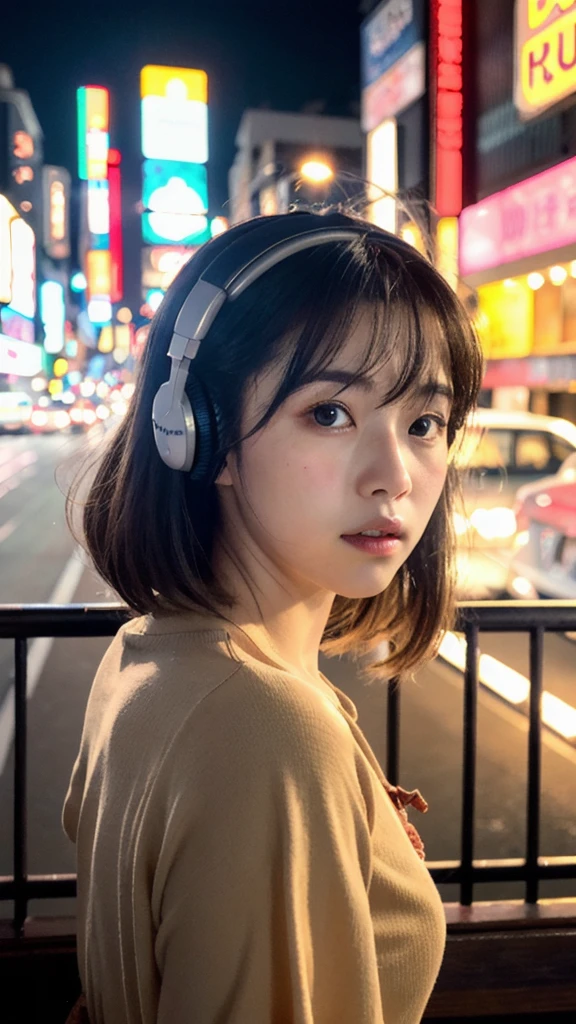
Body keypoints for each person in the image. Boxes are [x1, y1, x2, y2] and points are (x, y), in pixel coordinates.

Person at [63, 209, 483, 1024]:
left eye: (425, 423)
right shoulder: (266, 730)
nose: (394, 475)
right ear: (197, 432)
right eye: (330, 413)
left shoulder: (148, 657)